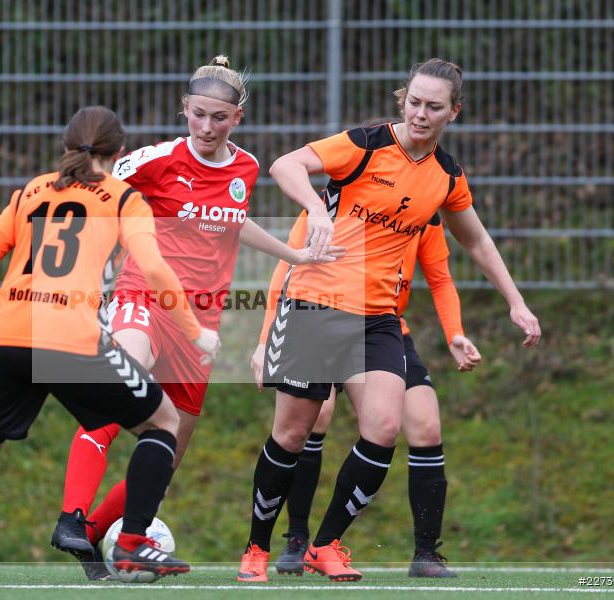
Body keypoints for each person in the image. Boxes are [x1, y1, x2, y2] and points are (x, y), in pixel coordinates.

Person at [236, 58, 541, 583]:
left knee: (383, 427)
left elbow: (476, 239)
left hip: (377, 318)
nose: (421, 114)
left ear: (454, 113)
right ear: (404, 99)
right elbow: (284, 165)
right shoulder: (365, 143)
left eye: (434, 107)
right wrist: (317, 206)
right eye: (414, 102)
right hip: (316, 302)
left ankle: (326, 543)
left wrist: (515, 301)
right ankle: (257, 549)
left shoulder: (446, 175)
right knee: (291, 434)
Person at [46, 56, 342, 580]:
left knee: (169, 451)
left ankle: (99, 535)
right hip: (144, 293)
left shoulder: (245, 168)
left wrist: (293, 256)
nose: (207, 127)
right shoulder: (156, 159)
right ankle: (70, 518)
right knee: (121, 392)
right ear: (185, 109)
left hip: (198, 323)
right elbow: (84, 180)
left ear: (238, 117)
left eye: (219, 118)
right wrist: (30, 218)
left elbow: (233, 222)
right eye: (199, 114)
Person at [0, 106, 221, 585]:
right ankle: (132, 543)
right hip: (71, 341)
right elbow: (155, 271)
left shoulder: (31, 191)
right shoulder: (121, 196)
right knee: (164, 422)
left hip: (9, 336)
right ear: (119, 153)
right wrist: (196, 332)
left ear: (67, 147)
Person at [250, 206, 481, 579]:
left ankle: (424, 553)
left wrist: (454, 331)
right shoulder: (330, 207)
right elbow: (286, 269)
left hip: (382, 329)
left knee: (424, 424)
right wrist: (265, 341)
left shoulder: (424, 212)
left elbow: (440, 278)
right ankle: (296, 539)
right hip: (320, 319)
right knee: (310, 420)